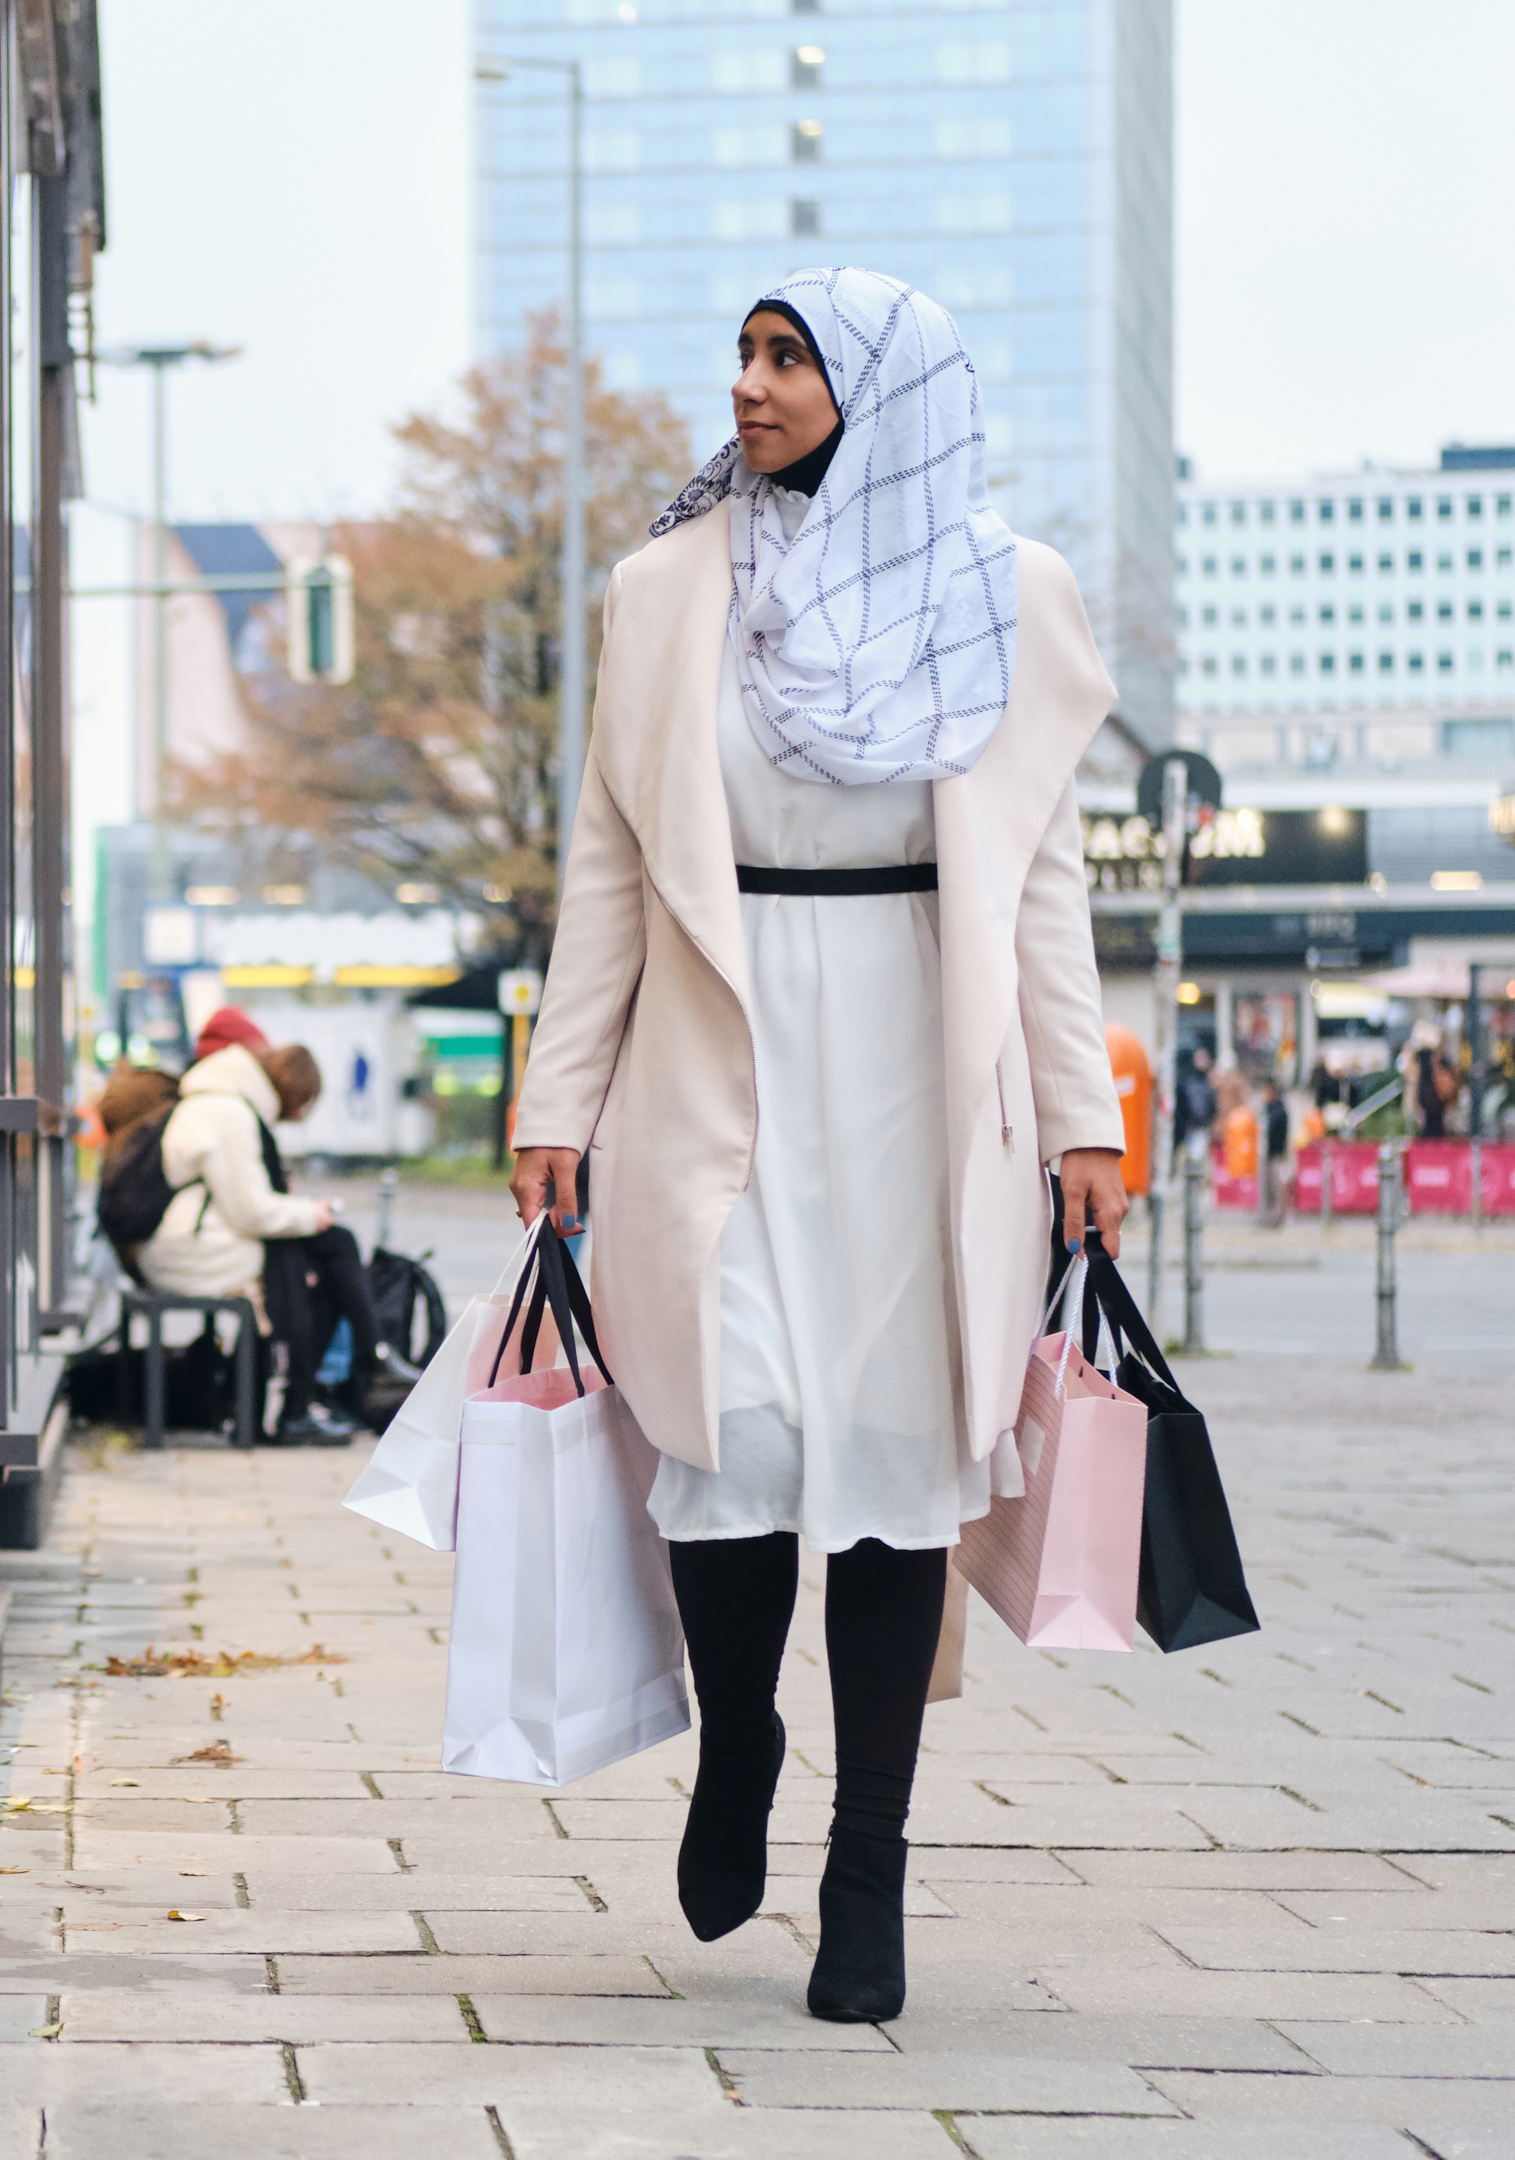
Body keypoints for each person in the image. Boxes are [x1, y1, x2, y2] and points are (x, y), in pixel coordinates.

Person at [508, 270, 1129, 2025]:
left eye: (791, 359)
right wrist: (558, 1102)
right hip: (719, 1045)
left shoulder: (1007, 594)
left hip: (925, 1061)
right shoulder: (666, 588)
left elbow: (1045, 890)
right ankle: (743, 1736)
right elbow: (611, 870)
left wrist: (1084, 1116)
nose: (752, 384)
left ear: (885, 387)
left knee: (894, 1448)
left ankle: (871, 1868)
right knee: (731, 1423)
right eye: (746, 353)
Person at [129, 1010, 357, 1443]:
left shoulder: (221, 1101)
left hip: (193, 1241)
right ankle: (314, 1394)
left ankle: (294, 1401)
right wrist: (311, 1213)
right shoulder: (228, 1111)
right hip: (189, 1253)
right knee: (302, 1258)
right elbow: (250, 1211)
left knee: (317, 1252)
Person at [252, 1042, 387, 1442]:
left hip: (244, 1230)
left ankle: (362, 1360)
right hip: (239, 1239)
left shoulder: (245, 1112)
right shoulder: (239, 1112)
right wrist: (307, 1212)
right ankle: (371, 1354)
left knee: (335, 1258)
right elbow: (255, 1207)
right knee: (337, 1247)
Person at [1259, 1079, 1292, 1226]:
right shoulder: (1266, 1108)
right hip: (1267, 1154)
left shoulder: (1279, 1110)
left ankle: (1277, 1216)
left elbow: (1275, 1132)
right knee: (1267, 1188)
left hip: (1275, 1153)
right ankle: (1268, 1215)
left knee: (1276, 1187)